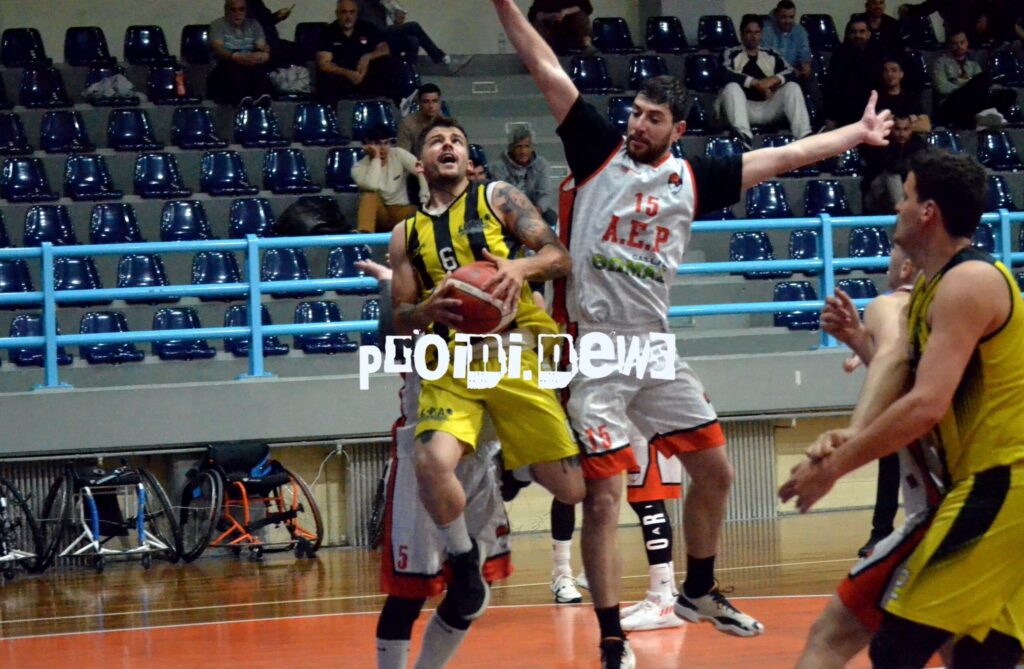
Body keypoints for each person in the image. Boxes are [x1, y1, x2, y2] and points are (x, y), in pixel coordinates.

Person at [492, 1, 893, 667]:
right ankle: (612, 638)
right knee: (604, 499)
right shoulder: (598, 151)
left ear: (677, 129)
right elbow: (545, 66)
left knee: (716, 470)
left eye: (653, 118)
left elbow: (786, 154)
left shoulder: (691, 178)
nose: (637, 124)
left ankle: (698, 589)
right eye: (635, 113)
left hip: (653, 347)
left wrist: (857, 131)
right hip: (595, 348)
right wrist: (505, 5)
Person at [780, 149, 1024, 669]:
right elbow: (899, 366)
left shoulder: (971, 282)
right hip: (981, 485)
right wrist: (852, 434)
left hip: (1004, 483)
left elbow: (925, 406)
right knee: (983, 656)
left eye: (906, 196)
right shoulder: (934, 287)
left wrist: (836, 467)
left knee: (897, 646)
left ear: (928, 211)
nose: (897, 207)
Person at [388, 116, 585, 630]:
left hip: (512, 348)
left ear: (467, 157)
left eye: (456, 139)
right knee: (431, 461)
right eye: (436, 141)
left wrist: (519, 267)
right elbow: (399, 317)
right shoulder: (405, 233)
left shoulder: (497, 197)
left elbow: (558, 257)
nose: (448, 145)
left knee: (571, 491)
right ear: (420, 163)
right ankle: (463, 560)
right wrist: (424, 311)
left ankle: (513, 468)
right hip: (449, 358)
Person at [792, 244, 953, 669]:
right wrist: (860, 343)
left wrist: (851, 435)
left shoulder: (893, 303)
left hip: (948, 505)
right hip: (989, 496)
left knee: (829, 638)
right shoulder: (955, 311)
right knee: (967, 647)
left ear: (908, 265)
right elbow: (907, 377)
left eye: (893, 252)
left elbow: (896, 357)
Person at [359, 258, 513, 669]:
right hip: (422, 464)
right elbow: (393, 330)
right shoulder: (419, 330)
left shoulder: (501, 326)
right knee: (408, 595)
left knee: (470, 596)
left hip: (480, 459)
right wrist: (389, 283)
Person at [717, 14, 812, 151]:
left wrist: (773, 80)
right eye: (749, 32)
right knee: (732, 87)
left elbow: (792, 72)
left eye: (756, 32)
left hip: (767, 107)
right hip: (742, 108)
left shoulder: (771, 53)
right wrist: (754, 83)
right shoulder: (731, 53)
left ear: (761, 34)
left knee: (792, 87)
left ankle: (804, 138)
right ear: (742, 34)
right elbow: (724, 73)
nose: (753, 36)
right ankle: (743, 138)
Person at [316, 0, 403, 106]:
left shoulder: (367, 27)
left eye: (352, 12)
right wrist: (348, 73)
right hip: (342, 77)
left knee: (389, 63)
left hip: (366, 74)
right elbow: (324, 63)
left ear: (357, 13)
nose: (348, 16)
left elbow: (385, 48)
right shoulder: (328, 32)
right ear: (337, 13)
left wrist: (368, 57)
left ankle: (391, 107)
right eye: (344, 12)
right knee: (326, 78)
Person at [932, 30, 1017, 130]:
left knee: (1010, 93)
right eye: (955, 43)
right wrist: (966, 86)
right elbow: (942, 87)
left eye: (962, 42)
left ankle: (985, 117)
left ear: (967, 43)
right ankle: (984, 117)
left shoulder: (973, 65)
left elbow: (981, 86)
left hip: (972, 103)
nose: (959, 46)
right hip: (952, 103)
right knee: (982, 78)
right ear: (949, 45)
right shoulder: (940, 63)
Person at [352, 126, 427, 233]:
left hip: (401, 209)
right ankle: (364, 236)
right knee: (369, 196)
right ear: (367, 145)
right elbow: (372, 186)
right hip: (379, 214)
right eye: (377, 144)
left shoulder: (398, 154)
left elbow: (421, 170)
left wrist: (425, 197)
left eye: (386, 143)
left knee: (421, 213)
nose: (383, 148)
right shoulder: (359, 168)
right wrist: (376, 158)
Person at [208, 0, 275, 106]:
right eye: (233, 10)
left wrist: (264, 54)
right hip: (226, 63)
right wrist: (234, 56)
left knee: (257, 68)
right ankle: (241, 99)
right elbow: (218, 48)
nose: (237, 14)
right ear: (226, 11)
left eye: (241, 9)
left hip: (247, 61)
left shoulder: (254, 24)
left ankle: (261, 97)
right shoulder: (217, 25)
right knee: (234, 68)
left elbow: (262, 46)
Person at [490, 125, 557, 228]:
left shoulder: (541, 165)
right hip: (509, 212)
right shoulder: (499, 167)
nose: (523, 151)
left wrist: (536, 211)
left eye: (527, 146)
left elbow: (545, 194)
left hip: (535, 210)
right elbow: (500, 196)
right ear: (511, 148)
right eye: (518, 146)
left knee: (551, 217)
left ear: (532, 147)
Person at [761, 0, 822, 112]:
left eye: (791, 17)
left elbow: (804, 52)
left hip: (795, 71)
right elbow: (765, 57)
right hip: (773, 72)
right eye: (784, 17)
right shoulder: (766, 31)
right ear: (776, 15)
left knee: (810, 72)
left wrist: (805, 64)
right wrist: (789, 70)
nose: (788, 21)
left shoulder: (799, 31)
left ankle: (820, 113)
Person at [824, 17, 884, 129]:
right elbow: (832, 88)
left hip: (872, 109)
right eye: (854, 32)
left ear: (869, 34)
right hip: (844, 111)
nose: (858, 35)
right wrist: (830, 116)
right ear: (848, 34)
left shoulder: (877, 55)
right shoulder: (839, 55)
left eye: (862, 31)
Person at [861, 115, 928, 215]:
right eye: (897, 129)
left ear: (911, 129)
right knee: (892, 175)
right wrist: (908, 167)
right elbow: (891, 166)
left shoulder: (918, 143)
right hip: (877, 192)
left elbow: (921, 165)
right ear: (892, 129)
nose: (901, 134)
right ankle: (903, 213)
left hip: (905, 188)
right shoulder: (882, 142)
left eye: (906, 129)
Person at [359, 0, 453, 67]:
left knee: (413, 40)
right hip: (370, 36)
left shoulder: (382, 3)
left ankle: (409, 71)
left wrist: (398, 17)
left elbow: (397, 22)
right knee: (414, 26)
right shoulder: (358, 3)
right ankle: (438, 56)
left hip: (384, 34)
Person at [876, 58, 930, 133]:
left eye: (894, 70)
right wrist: (910, 121)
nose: (889, 74)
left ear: (901, 74)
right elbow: (875, 126)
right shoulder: (876, 98)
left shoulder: (911, 98)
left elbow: (926, 126)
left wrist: (893, 123)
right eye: (886, 71)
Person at [528, 0, 596, 55]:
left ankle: (587, 45)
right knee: (537, 22)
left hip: (572, 30)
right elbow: (532, 14)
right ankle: (538, 51)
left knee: (581, 16)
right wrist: (549, 16)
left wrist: (567, 12)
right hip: (550, 30)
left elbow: (587, 8)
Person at [397, 84, 446, 152]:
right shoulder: (407, 124)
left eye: (435, 101)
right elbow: (403, 154)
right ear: (419, 103)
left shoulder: (446, 123)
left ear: (440, 103)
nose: (431, 106)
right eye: (426, 102)